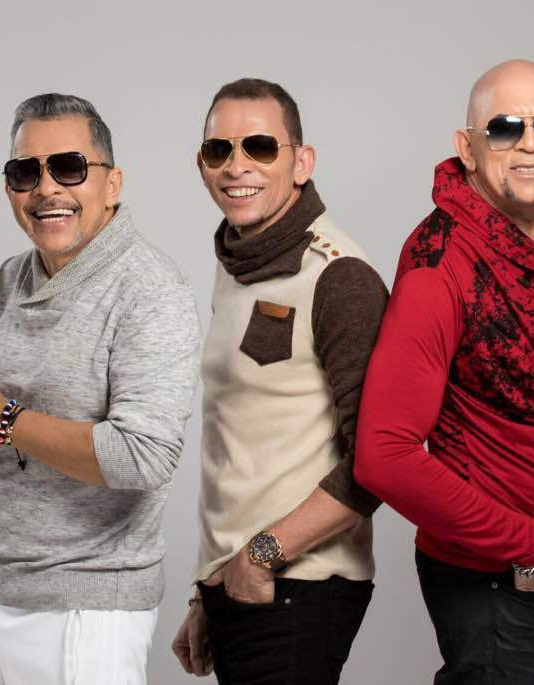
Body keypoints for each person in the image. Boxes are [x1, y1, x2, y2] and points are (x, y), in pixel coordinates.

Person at [354, 60, 534, 684]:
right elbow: (383, 455)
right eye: (506, 128)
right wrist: (529, 545)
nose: (529, 144)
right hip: (495, 576)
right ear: (467, 147)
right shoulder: (441, 261)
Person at [0, 93, 201, 685]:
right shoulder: (13, 274)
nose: (46, 188)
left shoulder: (152, 289)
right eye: (25, 172)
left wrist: (7, 421)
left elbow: (144, 457)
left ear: (112, 183)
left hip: (86, 607)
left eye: (69, 167)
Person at [171, 78, 388, 684]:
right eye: (219, 150)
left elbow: (378, 460)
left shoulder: (340, 276)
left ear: (302, 162)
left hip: (297, 587)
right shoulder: (238, 262)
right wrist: (208, 591)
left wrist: (261, 557)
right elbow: (242, 444)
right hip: (239, 585)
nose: (236, 166)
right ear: (201, 164)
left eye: (260, 147)